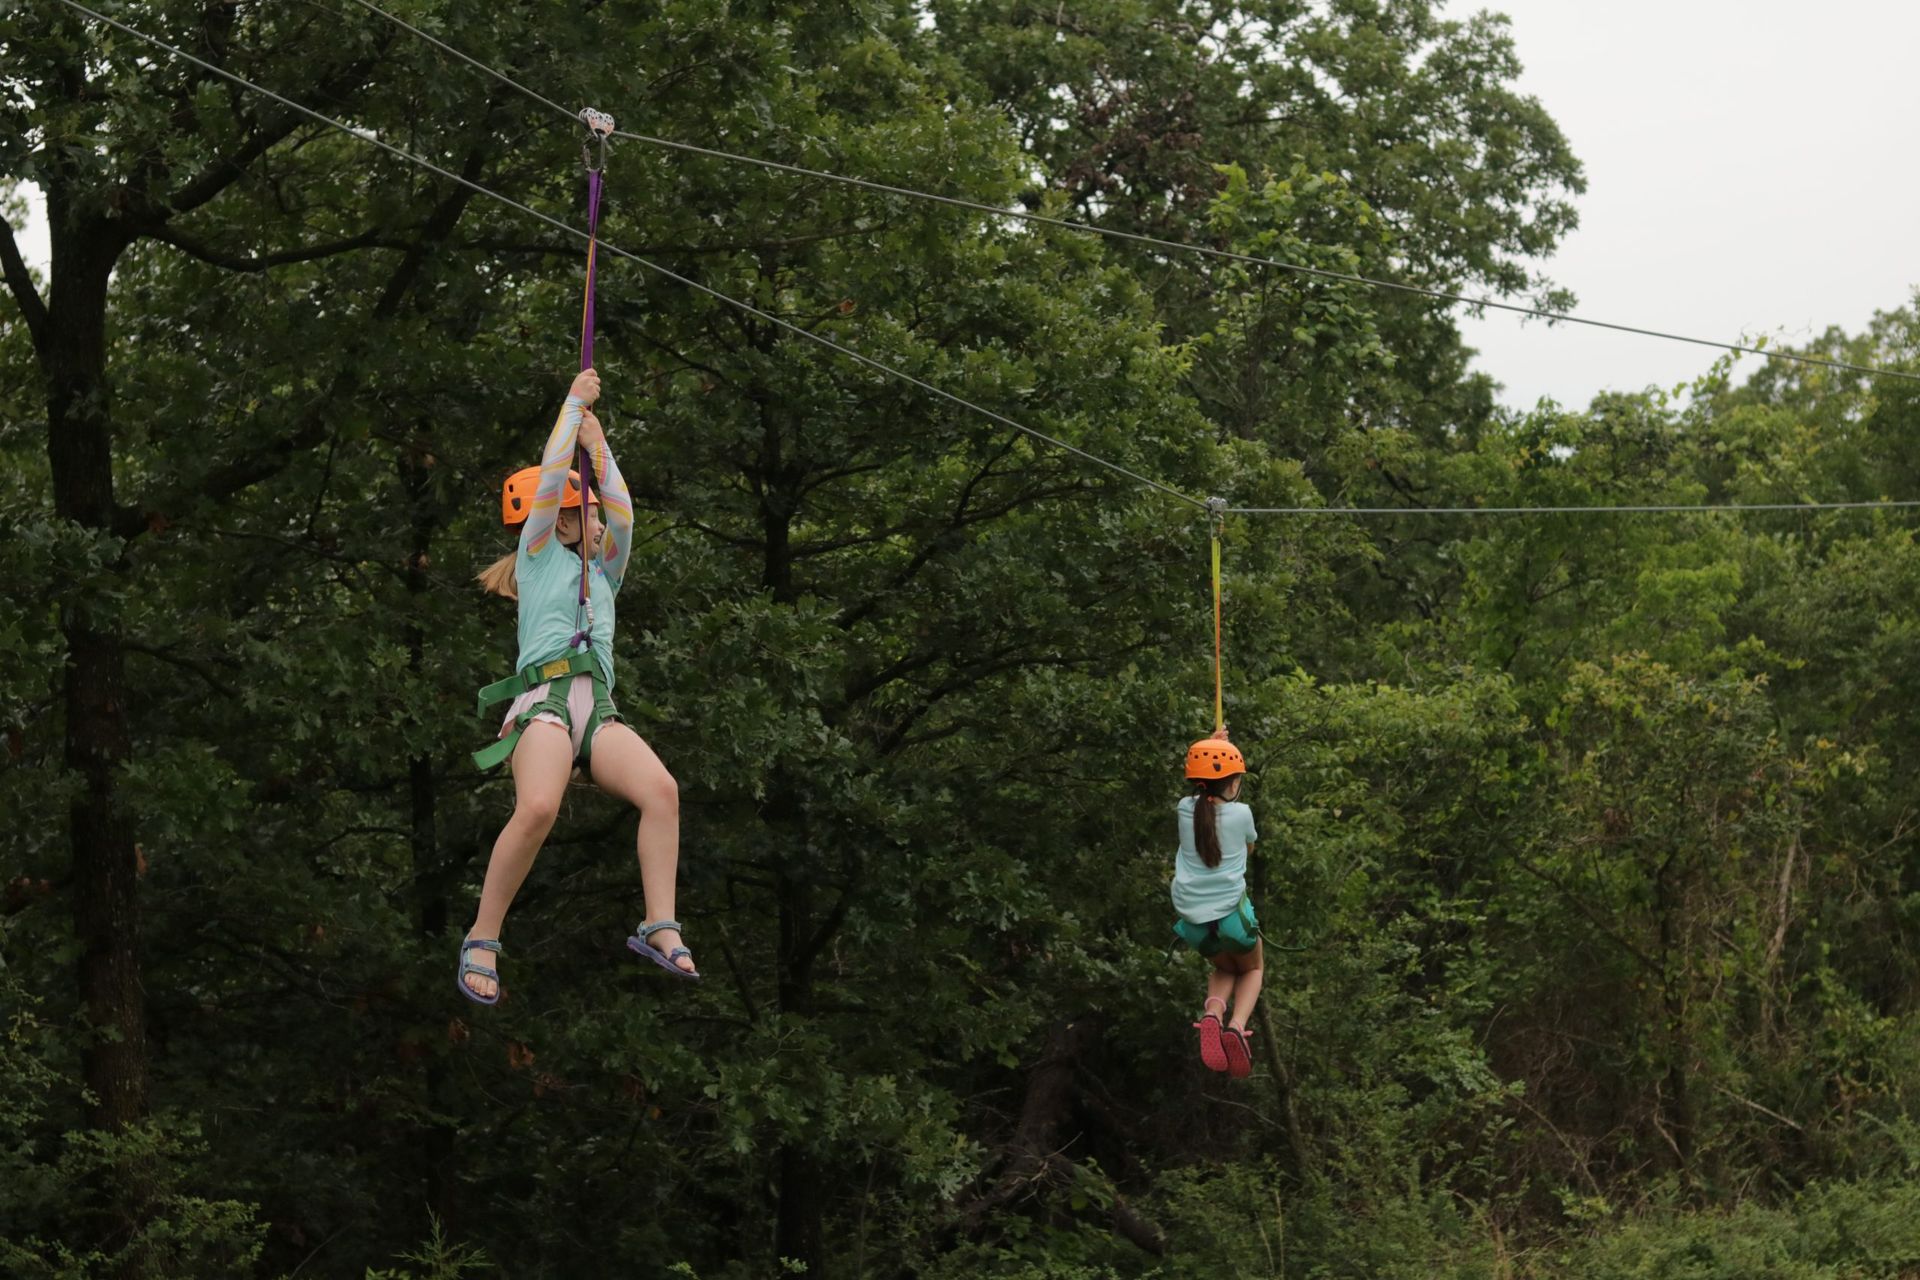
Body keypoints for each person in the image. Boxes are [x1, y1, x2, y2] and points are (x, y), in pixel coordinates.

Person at [459, 367, 696, 1004]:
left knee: (662, 792)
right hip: (545, 706)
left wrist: (600, 447)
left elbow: (624, 514)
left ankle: (659, 924)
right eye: (586, 517)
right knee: (537, 808)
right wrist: (572, 408)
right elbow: (549, 478)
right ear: (565, 523)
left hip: (600, 712)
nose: (600, 526)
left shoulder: (606, 576)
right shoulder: (540, 560)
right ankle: (483, 936)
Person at [1173, 729, 1262, 1078]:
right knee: (1252, 970)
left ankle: (1212, 1013)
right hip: (1231, 919)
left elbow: (1199, 792)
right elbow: (1250, 848)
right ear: (1234, 782)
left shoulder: (1184, 810)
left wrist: (1211, 745)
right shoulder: (1242, 815)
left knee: (1225, 968)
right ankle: (1236, 1027)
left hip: (1193, 922)